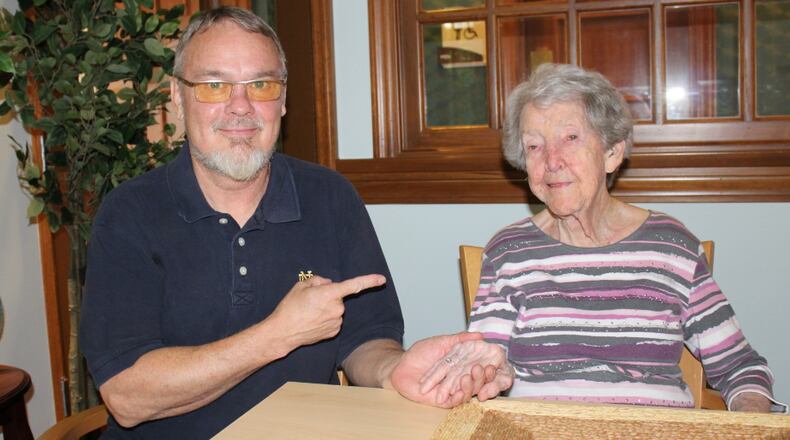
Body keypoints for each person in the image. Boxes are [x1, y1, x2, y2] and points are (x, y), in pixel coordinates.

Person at [79, 7, 511, 438]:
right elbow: (127, 395)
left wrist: (394, 370)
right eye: (214, 86)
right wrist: (277, 335)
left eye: (261, 85)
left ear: (283, 99)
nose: (241, 107)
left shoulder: (330, 197)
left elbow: (365, 338)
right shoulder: (129, 214)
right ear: (177, 96)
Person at [419, 63, 786, 413]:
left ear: (612, 152)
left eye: (570, 138)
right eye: (534, 146)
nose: (552, 161)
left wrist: (749, 423)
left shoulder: (670, 247)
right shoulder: (509, 251)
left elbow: (740, 367)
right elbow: (488, 362)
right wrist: (486, 374)